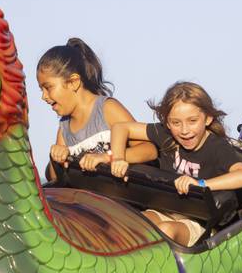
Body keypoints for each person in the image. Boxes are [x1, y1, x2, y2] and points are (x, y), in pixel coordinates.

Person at [109, 82, 242, 246]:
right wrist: (118, 158)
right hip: (164, 210)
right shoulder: (165, 134)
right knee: (134, 225)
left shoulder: (217, 147)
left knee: (166, 231)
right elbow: (120, 127)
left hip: (197, 222)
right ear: (168, 123)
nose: (184, 130)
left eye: (192, 121)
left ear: (207, 118)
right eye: (176, 123)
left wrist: (200, 184)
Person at [36, 38, 156, 180]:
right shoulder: (64, 128)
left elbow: (149, 150)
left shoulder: (107, 109)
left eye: (48, 87)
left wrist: (107, 157)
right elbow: (55, 180)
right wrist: (55, 158)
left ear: (73, 82)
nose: (43, 97)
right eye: (41, 89)